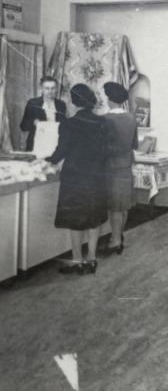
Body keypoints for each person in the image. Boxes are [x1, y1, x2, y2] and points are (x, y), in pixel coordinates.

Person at [45, 83, 108, 275]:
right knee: (94, 217)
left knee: (75, 219)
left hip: (74, 176)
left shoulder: (68, 124)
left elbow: (60, 152)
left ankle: (77, 259)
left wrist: (44, 160)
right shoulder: (103, 123)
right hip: (97, 176)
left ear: (73, 102)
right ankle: (92, 258)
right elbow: (106, 151)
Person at [100, 82, 138, 256]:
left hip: (111, 166)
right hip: (126, 164)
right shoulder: (131, 118)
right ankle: (119, 236)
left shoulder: (105, 119)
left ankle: (115, 241)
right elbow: (134, 144)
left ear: (109, 99)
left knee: (114, 206)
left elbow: (101, 147)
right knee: (123, 206)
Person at [19, 76, 67, 152]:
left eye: (53, 88)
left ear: (56, 89)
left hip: (55, 144)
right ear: (41, 89)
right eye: (47, 88)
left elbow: (64, 126)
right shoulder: (32, 103)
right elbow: (23, 127)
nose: (50, 91)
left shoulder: (61, 105)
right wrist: (33, 122)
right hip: (36, 144)